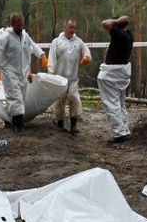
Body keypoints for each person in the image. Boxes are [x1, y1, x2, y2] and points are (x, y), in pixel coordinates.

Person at [0, 13, 47, 133]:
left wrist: (42, 55)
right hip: (9, 72)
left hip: (22, 73)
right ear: (12, 25)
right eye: (18, 25)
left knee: (20, 98)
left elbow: (33, 46)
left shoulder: (25, 35)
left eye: (22, 24)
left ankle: (12, 121)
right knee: (15, 98)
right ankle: (19, 125)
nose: (21, 27)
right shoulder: (5, 37)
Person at [48, 19, 91, 134]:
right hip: (59, 78)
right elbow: (51, 58)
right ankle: (60, 124)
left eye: (74, 28)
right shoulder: (56, 42)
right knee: (60, 101)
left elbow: (86, 51)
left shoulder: (78, 42)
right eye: (70, 27)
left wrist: (86, 57)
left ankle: (73, 126)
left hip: (73, 77)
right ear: (65, 27)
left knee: (74, 98)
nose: (72, 30)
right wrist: (51, 72)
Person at [97, 15, 134, 144]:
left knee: (111, 104)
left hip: (111, 76)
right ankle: (124, 130)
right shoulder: (129, 36)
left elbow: (104, 23)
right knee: (120, 103)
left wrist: (117, 21)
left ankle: (119, 134)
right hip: (120, 75)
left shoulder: (120, 35)